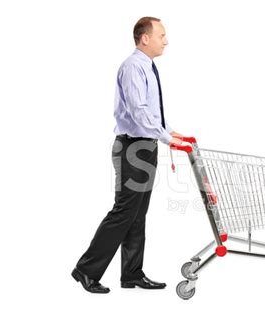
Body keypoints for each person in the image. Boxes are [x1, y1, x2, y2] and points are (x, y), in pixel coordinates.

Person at [71, 16, 184, 294]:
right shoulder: (134, 67)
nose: (165, 41)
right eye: (161, 35)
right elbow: (138, 112)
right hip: (133, 148)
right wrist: (168, 139)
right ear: (145, 38)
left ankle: (132, 273)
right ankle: (86, 270)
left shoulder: (147, 66)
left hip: (145, 146)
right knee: (123, 212)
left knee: (137, 214)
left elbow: (151, 112)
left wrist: (172, 132)